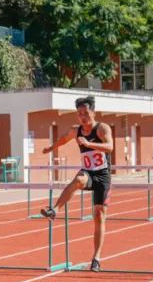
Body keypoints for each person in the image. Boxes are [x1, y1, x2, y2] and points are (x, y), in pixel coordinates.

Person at [38, 96, 113, 272]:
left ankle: (96, 257)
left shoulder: (102, 128)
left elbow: (110, 147)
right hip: (88, 173)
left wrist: (89, 144)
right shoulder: (76, 130)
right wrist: (51, 148)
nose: (83, 117)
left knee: (99, 215)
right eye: (79, 114)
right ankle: (54, 210)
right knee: (79, 179)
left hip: (103, 175)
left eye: (86, 113)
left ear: (93, 112)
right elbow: (64, 139)